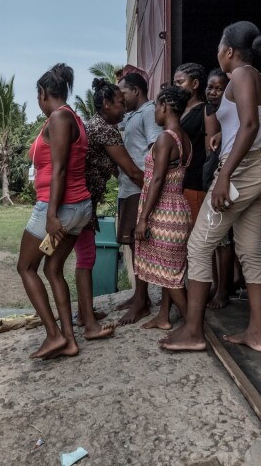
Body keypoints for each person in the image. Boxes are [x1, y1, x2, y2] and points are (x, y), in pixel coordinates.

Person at [160, 21, 261, 352]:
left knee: (198, 247)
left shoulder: (239, 75)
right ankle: (257, 333)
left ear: (228, 51)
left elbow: (250, 125)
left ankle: (193, 331)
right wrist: (223, 136)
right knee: (251, 251)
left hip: (239, 173)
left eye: (218, 49)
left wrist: (225, 173)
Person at [17, 63, 91, 359]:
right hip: (78, 206)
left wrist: (51, 215)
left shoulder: (59, 118)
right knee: (52, 268)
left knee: (25, 267)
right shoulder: (72, 117)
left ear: (43, 93)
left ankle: (53, 334)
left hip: (60, 206)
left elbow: (59, 169)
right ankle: (68, 341)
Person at [73, 78, 142, 340]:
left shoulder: (94, 126)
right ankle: (88, 321)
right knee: (86, 258)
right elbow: (132, 171)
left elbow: (112, 168)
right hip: (83, 202)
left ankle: (83, 313)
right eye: (120, 104)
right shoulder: (105, 130)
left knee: (84, 256)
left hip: (83, 200)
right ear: (105, 104)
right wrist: (157, 190)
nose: (124, 110)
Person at [136, 86, 194, 332]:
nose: (155, 113)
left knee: (171, 278)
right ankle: (164, 316)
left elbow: (157, 180)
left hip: (163, 212)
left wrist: (143, 218)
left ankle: (194, 328)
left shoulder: (165, 138)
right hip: (178, 209)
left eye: (157, 107)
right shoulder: (185, 138)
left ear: (165, 107)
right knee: (170, 270)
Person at [115, 71, 162, 324]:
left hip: (139, 187)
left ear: (135, 90)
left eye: (122, 93)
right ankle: (138, 295)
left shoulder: (149, 113)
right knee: (133, 245)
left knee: (140, 244)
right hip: (128, 187)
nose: (120, 99)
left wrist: (146, 183)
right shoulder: (131, 116)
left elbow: (156, 150)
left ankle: (142, 301)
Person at [204, 69, 243, 309]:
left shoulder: (234, 111)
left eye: (219, 88)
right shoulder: (210, 111)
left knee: (224, 238)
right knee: (217, 238)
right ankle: (218, 284)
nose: (213, 92)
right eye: (210, 87)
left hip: (229, 175)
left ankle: (223, 289)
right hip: (214, 174)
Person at [173, 62, 209, 224]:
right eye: (175, 83)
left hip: (195, 183)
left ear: (195, 84)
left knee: (194, 235)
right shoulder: (177, 111)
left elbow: (210, 152)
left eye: (181, 82)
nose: (177, 87)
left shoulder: (205, 111)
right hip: (177, 184)